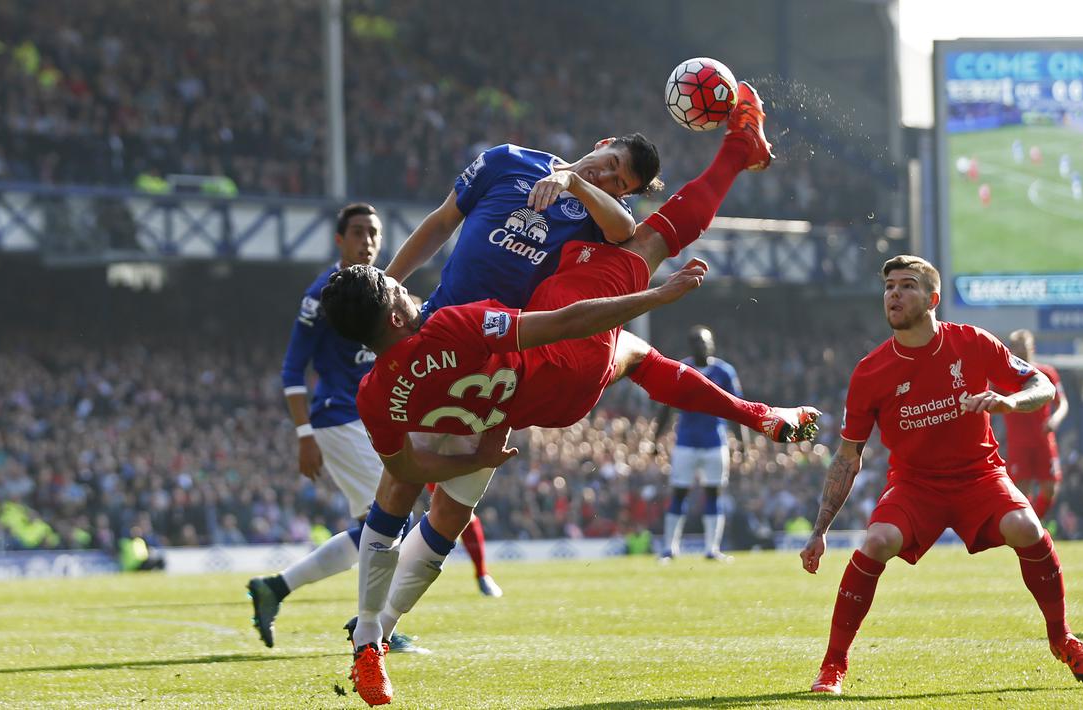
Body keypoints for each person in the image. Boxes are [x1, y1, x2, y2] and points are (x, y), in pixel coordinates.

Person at [328, 81, 821, 706]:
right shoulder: (505, 164)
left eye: (622, 178)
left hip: (493, 367)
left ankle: (372, 635)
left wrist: (576, 184)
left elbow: (625, 227)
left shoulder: (591, 209)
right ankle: (737, 154)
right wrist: (652, 297)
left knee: (415, 497)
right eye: (609, 162)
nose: (612, 176)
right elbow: (456, 233)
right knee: (631, 343)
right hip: (508, 359)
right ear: (599, 143)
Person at [800, 255, 1083, 696]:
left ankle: (1062, 638)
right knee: (878, 541)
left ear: (932, 298)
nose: (894, 294)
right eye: (888, 287)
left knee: (1027, 527)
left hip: (979, 476)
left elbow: (1043, 386)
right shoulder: (869, 371)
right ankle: (833, 665)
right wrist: (820, 529)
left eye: (906, 285)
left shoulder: (973, 342)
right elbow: (848, 456)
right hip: (914, 484)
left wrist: (1008, 403)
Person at [245, 204, 501, 652]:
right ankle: (376, 626)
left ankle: (279, 589)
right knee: (389, 521)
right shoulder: (322, 296)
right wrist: (304, 434)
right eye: (358, 232)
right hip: (338, 416)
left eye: (375, 233)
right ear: (339, 240)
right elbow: (291, 369)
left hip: (367, 417)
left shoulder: (384, 291)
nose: (368, 241)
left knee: (376, 526)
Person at [652, 325, 745, 562]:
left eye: (705, 342)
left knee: (713, 493)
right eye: (697, 343)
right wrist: (655, 438)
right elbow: (666, 407)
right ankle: (669, 548)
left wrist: (742, 442)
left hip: (715, 442)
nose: (702, 346)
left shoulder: (724, 372)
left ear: (712, 344)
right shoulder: (681, 369)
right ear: (690, 346)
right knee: (679, 493)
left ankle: (712, 549)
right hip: (686, 442)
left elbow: (737, 409)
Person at [1001, 328, 1068, 521]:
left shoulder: (1047, 372)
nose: (1022, 352)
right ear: (1011, 350)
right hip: (1019, 443)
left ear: (1032, 348)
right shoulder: (1004, 375)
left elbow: (1062, 402)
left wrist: (1055, 419)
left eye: (1025, 347)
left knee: (1050, 489)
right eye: (1017, 348)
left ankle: (1035, 525)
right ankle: (1027, 530)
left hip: (1043, 440)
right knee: (1022, 492)